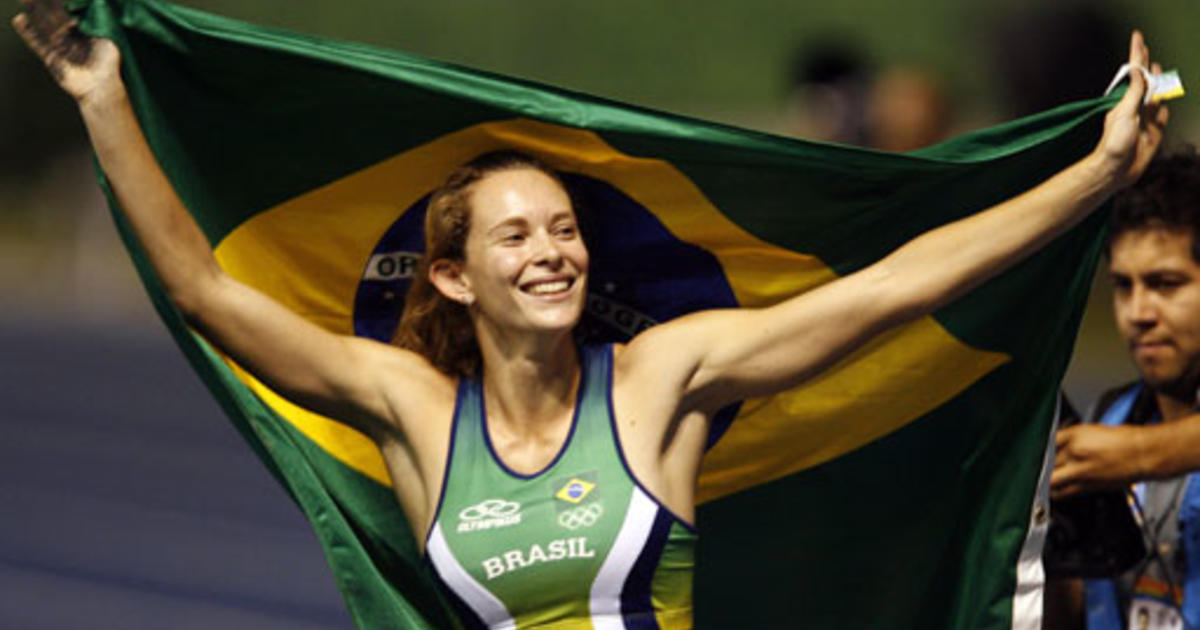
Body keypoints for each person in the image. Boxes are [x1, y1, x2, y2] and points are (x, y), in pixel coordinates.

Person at [12, 0, 1169, 626]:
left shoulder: (661, 380)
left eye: (564, 228)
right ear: (455, 276)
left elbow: (891, 290)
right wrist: (107, 102)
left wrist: (1093, 179)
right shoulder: (413, 411)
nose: (555, 251)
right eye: (517, 235)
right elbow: (205, 290)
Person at [1048, 147, 1200, 630]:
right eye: (1123, 285)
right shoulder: (1105, 420)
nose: (1138, 313)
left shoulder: (1120, 448)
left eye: (1166, 284)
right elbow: (1068, 613)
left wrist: (1142, 454)